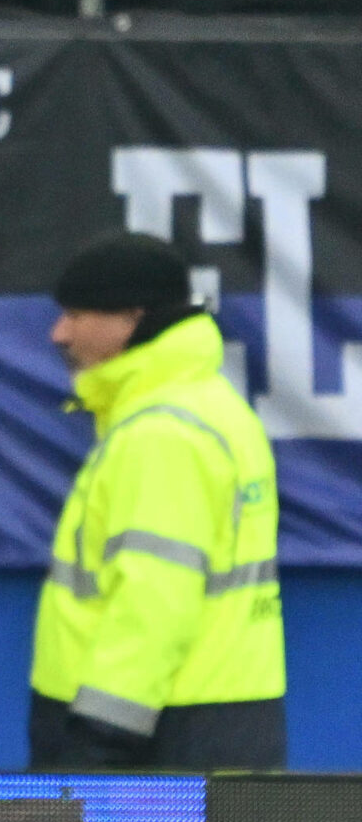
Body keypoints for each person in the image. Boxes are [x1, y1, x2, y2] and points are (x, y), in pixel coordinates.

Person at [29, 232, 285, 771]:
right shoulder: (212, 405)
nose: (59, 333)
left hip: (152, 740)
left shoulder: (161, 432)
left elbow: (153, 601)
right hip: (212, 720)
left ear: (131, 318)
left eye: (77, 314)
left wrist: (101, 738)